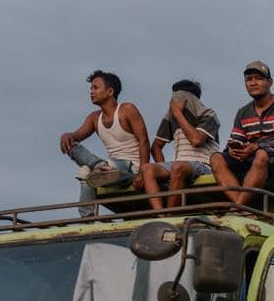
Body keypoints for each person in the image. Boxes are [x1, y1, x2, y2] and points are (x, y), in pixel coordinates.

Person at [59, 70, 150, 217]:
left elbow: (144, 141)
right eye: (91, 89)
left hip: (131, 167)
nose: (91, 92)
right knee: (80, 162)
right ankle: (87, 217)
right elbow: (75, 136)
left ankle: (101, 167)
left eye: (96, 88)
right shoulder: (94, 118)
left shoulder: (127, 110)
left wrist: (143, 173)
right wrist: (66, 135)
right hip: (109, 169)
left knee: (89, 172)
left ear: (110, 91)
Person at [210, 61, 274, 204]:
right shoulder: (243, 112)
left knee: (261, 154)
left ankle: (238, 207)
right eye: (249, 79)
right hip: (252, 156)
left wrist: (258, 147)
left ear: (269, 82)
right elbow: (235, 139)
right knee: (216, 158)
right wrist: (234, 150)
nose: (253, 83)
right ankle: (241, 206)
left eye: (258, 78)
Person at [140, 80, 221, 210]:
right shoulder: (170, 117)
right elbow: (156, 147)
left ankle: (171, 214)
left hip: (203, 164)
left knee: (178, 167)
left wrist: (178, 113)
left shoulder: (208, 114)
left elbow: (196, 140)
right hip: (181, 165)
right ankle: (161, 214)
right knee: (147, 169)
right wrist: (165, 170)